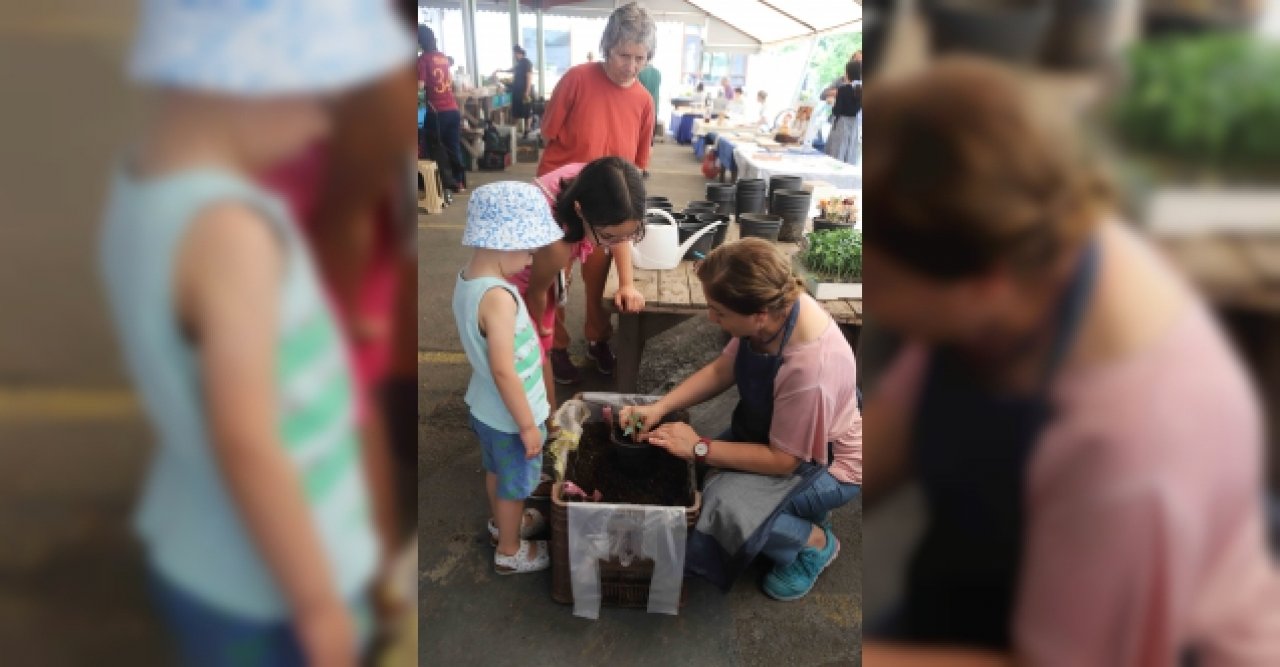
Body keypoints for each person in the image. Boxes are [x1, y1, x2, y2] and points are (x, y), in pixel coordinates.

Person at [860, 58, 1280, 664]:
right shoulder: (1025, 240)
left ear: (985, 284)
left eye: (877, 280)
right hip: (985, 593)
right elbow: (903, 415)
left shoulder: (1133, 447)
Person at [100, 1, 411, 664]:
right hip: (267, 585)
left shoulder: (141, 189)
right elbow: (247, 437)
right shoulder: (231, 233)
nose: (320, 123)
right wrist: (319, 604)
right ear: (230, 78)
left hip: (204, 540)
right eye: (313, 91)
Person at [621, 239, 861, 602]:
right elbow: (724, 368)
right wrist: (659, 407)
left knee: (721, 504)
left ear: (759, 314)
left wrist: (699, 446)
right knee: (701, 474)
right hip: (777, 433)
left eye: (718, 312)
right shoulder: (774, 312)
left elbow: (784, 460)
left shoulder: (810, 370)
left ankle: (814, 543)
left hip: (826, 463)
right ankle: (801, 515)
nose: (710, 318)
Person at [536, 1, 655, 384]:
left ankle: (597, 339)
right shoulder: (577, 78)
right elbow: (548, 131)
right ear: (607, 47)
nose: (631, 66)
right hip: (561, 197)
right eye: (624, 55)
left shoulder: (643, 100)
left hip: (608, 202)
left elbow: (637, 165)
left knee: (597, 275)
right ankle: (554, 344)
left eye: (641, 57)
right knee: (556, 279)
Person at [453, 182, 564, 575]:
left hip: (486, 408)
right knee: (515, 485)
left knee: (498, 473)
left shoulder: (468, 279)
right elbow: (504, 368)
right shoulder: (498, 298)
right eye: (529, 248)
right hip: (510, 417)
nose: (533, 257)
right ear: (504, 242)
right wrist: (528, 427)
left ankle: (503, 523)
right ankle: (510, 549)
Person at [509, 157, 646, 411]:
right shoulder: (556, 241)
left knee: (538, 351)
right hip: (522, 274)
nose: (616, 242)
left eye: (630, 233)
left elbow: (620, 233)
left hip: (560, 240)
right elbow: (537, 291)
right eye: (607, 237)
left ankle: (546, 417)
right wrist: (539, 328)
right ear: (580, 210)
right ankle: (539, 416)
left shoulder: (610, 186)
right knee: (532, 352)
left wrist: (627, 284)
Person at [418, 25, 466, 193]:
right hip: (452, 109)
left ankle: (441, 183)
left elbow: (420, 86)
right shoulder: (443, 57)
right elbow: (450, 82)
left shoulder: (423, 60)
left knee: (434, 148)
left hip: (437, 112)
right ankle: (459, 182)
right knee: (453, 146)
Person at [825, 60, 861, 165]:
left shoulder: (843, 89)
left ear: (848, 73)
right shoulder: (861, 89)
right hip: (854, 124)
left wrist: (833, 103)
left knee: (837, 152)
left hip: (842, 122)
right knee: (850, 151)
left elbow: (837, 111)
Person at [509, 45, 535, 137]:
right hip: (517, 91)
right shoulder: (519, 64)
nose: (514, 56)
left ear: (519, 53)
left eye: (515, 54)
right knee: (516, 111)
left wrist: (527, 91)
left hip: (524, 92)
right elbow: (513, 70)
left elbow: (529, 76)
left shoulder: (526, 62)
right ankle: (513, 132)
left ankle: (527, 130)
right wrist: (501, 70)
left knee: (527, 111)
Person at [638, 61, 662, 150]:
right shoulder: (658, 73)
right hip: (654, 104)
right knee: (650, 130)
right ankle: (649, 148)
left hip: (640, 105)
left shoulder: (640, 72)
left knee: (640, 131)